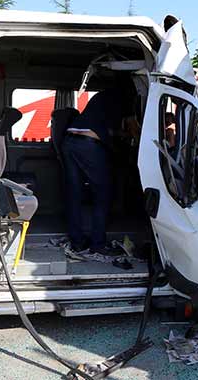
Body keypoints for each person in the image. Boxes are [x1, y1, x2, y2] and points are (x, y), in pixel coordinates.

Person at [61, 79, 139, 259]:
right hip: (89, 146)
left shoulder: (102, 97)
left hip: (69, 141)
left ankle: (78, 242)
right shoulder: (128, 98)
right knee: (103, 193)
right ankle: (98, 243)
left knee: (74, 193)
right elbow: (133, 128)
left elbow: (104, 128)